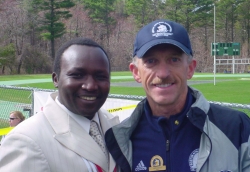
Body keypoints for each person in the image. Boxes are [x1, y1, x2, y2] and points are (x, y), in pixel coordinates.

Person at [105, 19, 250, 172]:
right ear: (136, 72)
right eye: (151, 61)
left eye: (174, 59)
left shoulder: (236, 128)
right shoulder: (119, 140)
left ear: (190, 68)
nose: (163, 73)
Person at [0, 37, 119, 172]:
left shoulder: (115, 125)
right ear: (56, 79)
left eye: (101, 76)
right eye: (77, 75)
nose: (90, 86)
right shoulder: (25, 140)